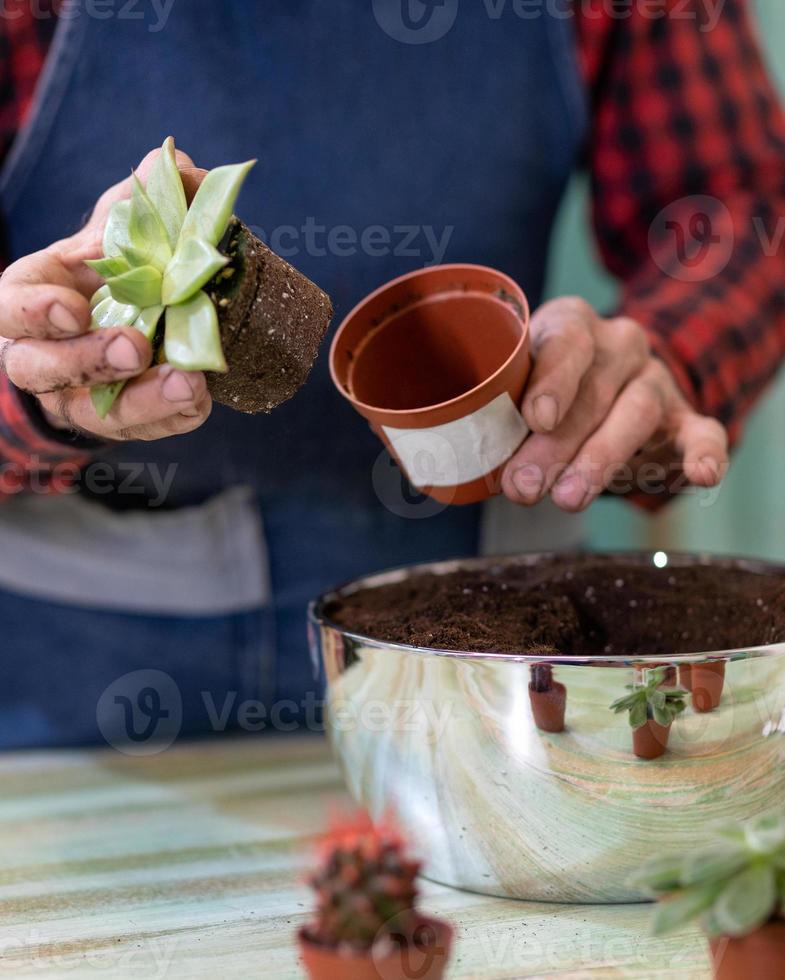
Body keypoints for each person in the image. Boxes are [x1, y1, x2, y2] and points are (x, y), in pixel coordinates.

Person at [0, 0, 781, 748]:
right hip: (82, 666)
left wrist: (663, 358)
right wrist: (37, 382)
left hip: (488, 635)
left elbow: (739, 206)